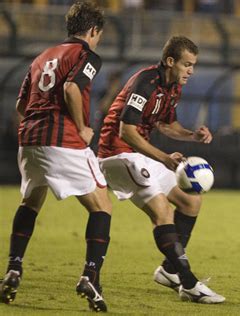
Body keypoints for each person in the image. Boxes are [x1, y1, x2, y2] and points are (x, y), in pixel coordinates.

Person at [0, 2, 111, 312]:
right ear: (93, 31)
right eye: (98, 35)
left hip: (30, 140)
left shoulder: (41, 57)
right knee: (102, 205)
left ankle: (13, 268)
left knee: (30, 202)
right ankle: (91, 275)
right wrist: (83, 127)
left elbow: (22, 105)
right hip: (62, 139)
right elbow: (73, 89)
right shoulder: (86, 55)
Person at [97, 36, 225, 304]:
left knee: (191, 200)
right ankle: (189, 283)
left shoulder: (172, 87)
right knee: (163, 212)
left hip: (139, 155)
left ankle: (169, 270)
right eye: (187, 64)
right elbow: (127, 131)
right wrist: (164, 158)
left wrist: (193, 136)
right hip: (117, 155)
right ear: (170, 62)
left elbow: (166, 125)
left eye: (193, 65)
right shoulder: (145, 82)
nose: (191, 71)